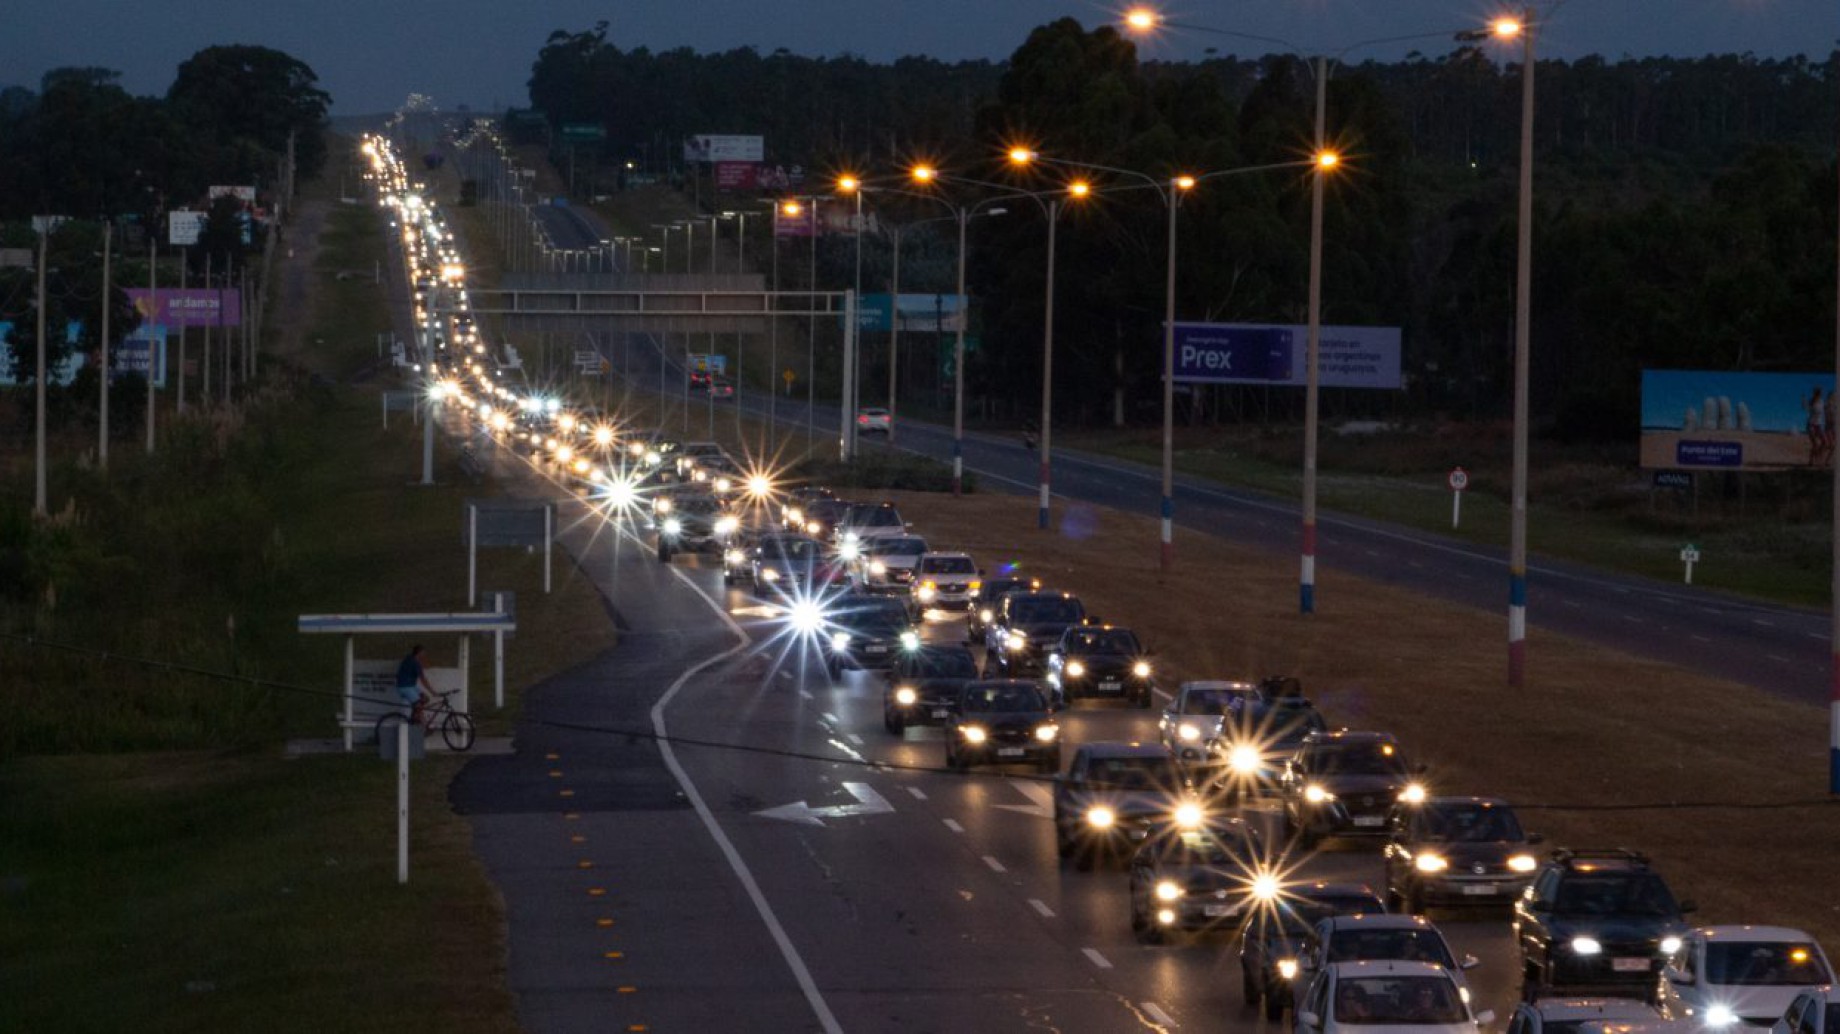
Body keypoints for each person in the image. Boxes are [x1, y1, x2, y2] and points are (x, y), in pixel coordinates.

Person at [395, 644, 435, 721]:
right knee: (419, 705)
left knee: (425, 698)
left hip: (411, 686)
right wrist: (432, 691)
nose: (425, 654)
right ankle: (425, 725)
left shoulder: (409, 658)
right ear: (419, 653)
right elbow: (423, 680)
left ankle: (415, 715)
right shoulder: (415, 663)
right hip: (405, 687)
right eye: (423, 652)